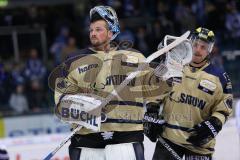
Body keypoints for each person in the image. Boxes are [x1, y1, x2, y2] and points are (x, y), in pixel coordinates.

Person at [53, 5, 174, 160]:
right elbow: (61, 102)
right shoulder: (73, 61)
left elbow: (154, 89)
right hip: (87, 142)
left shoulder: (135, 58)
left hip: (126, 139)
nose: (93, 33)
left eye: (98, 29)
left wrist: (168, 73)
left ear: (111, 33)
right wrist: (85, 109)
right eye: (91, 30)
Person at [144, 27, 233, 160]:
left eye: (203, 47)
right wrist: (151, 111)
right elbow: (155, 92)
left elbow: (224, 108)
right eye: (195, 44)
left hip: (199, 144)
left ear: (210, 49)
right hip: (169, 139)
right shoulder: (172, 65)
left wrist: (214, 124)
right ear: (189, 43)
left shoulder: (220, 77)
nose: (197, 50)